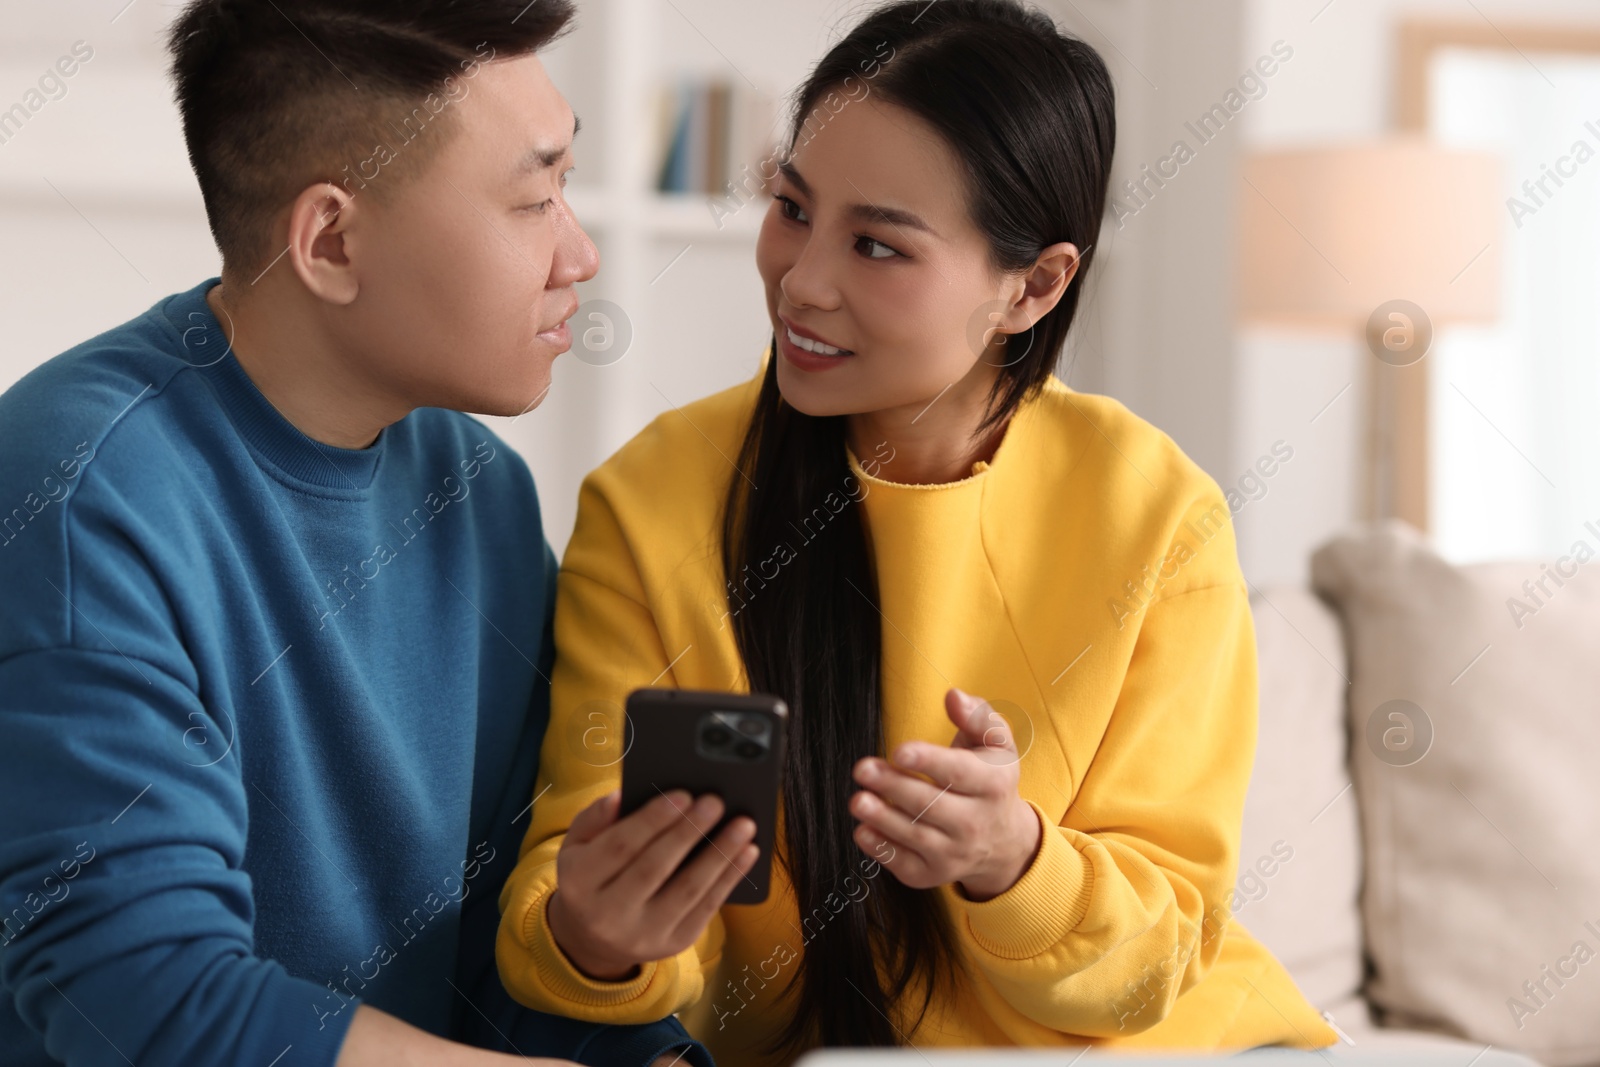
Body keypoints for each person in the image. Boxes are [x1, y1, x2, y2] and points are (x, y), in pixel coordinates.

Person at [493, 1, 1342, 1064]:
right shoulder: (653, 497)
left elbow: (1158, 956)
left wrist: (1016, 860)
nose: (800, 280)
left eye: (878, 244)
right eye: (791, 207)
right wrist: (598, 938)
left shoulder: (1158, 515)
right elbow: (574, 873)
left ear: (1032, 286)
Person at [0, 3, 705, 1065]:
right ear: (331, 239)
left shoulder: (477, 492)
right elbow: (143, 1000)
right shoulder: (77, 496)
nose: (581, 253)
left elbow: (496, 970)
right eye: (534, 198)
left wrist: (595, 955)